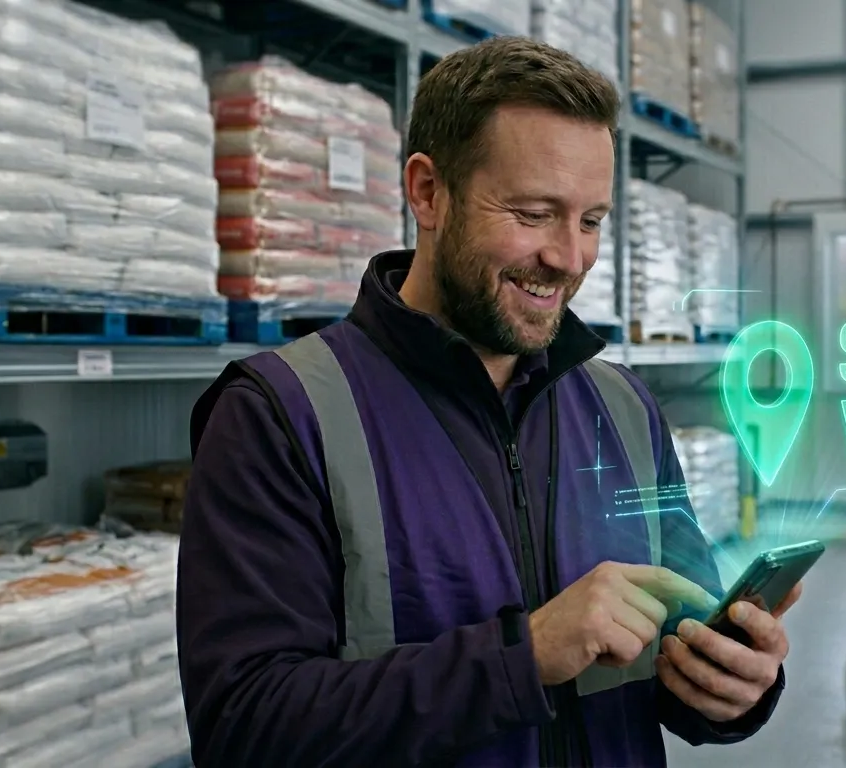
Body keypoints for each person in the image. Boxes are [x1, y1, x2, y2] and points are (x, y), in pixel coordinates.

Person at [177, 36, 802, 768]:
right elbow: (244, 729)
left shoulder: (625, 409)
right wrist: (522, 658)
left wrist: (734, 689)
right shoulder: (282, 416)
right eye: (535, 213)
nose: (570, 258)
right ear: (427, 192)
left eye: (591, 220)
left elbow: (670, 676)